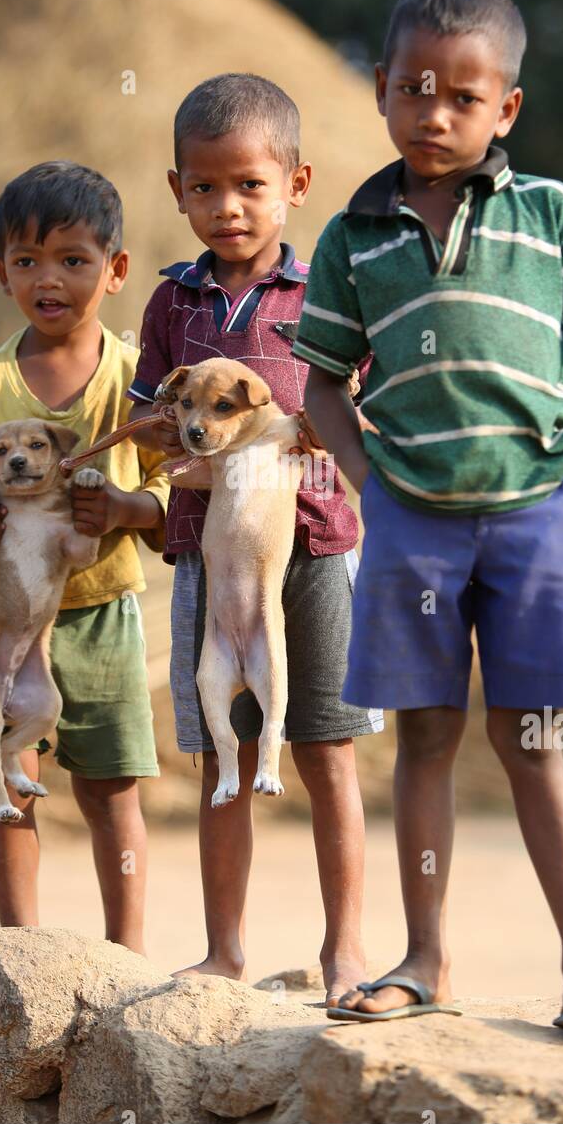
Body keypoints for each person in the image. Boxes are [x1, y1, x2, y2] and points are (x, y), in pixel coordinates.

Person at [294, 0, 563, 1036]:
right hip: (412, 525)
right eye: (413, 90)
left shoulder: (548, 216)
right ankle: (424, 957)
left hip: (536, 511)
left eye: (461, 97)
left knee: (530, 736)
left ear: (506, 110)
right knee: (424, 739)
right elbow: (319, 380)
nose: (433, 114)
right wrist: (373, 489)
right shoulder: (351, 238)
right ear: (380, 90)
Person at [127, 73, 383, 1007]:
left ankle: (344, 953)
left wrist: (333, 432)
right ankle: (224, 951)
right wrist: (169, 444)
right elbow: (152, 413)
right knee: (222, 750)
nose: (226, 208)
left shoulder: (326, 294)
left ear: (296, 184)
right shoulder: (170, 306)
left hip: (314, 544)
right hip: (207, 550)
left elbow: (364, 400)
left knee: (325, 746)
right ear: (176, 190)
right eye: (204, 188)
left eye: (250, 186)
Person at [0, 160, 169, 953]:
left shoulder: (137, 383)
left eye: (73, 259)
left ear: (117, 269)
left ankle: (125, 956)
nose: (47, 279)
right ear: (1, 273)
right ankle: (20, 950)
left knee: (111, 786)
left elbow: (173, 487)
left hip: (103, 617)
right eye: (26, 261)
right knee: (5, 774)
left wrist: (129, 509)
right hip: (3, 615)